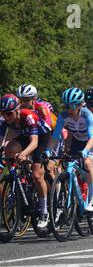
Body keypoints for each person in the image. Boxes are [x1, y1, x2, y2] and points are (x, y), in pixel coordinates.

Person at [45, 88, 93, 212]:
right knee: (69, 166)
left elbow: (92, 138)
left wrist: (87, 151)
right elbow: (55, 136)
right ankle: (75, 196)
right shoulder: (63, 116)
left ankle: (92, 198)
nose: (68, 109)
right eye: (65, 105)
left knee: (87, 163)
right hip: (78, 141)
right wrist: (48, 151)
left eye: (71, 106)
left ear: (80, 105)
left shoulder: (87, 114)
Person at [0, 94, 52, 228]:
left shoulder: (28, 116)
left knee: (36, 174)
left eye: (9, 114)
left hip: (41, 137)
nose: (6, 117)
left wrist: (23, 154)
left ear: (17, 110)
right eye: (3, 113)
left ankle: (44, 212)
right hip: (25, 135)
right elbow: (1, 142)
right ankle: (15, 176)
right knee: (9, 148)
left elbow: (34, 143)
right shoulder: (4, 120)